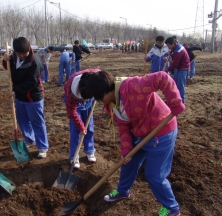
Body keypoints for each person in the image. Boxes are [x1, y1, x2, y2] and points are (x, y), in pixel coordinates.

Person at [84, 70, 185, 216]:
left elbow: (162, 77)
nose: (97, 100)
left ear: (104, 91)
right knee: (128, 163)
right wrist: (126, 149)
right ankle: (123, 191)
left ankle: (172, 208)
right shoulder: (111, 105)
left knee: (154, 175)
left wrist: (175, 102)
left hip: (161, 132)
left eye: (97, 96)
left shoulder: (133, 86)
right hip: (140, 133)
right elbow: (123, 127)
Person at [2, 37, 49, 158]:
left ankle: (42, 147)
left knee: (37, 122)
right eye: (19, 53)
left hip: (33, 97)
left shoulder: (35, 62)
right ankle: (29, 139)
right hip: (20, 96)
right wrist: (5, 60)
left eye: (24, 53)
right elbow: (9, 68)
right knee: (22, 119)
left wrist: (15, 90)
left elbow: (31, 82)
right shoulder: (14, 57)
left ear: (29, 49)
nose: (22, 56)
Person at [63, 68, 101, 168]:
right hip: (75, 103)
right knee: (76, 130)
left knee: (89, 127)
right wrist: (81, 127)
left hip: (89, 100)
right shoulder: (71, 93)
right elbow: (72, 113)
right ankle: (74, 156)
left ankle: (89, 150)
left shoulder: (95, 75)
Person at [165, 37, 190, 103]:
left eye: (168, 45)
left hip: (183, 69)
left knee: (181, 85)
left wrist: (166, 70)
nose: (168, 47)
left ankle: (181, 101)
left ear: (173, 44)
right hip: (178, 68)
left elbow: (175, 64)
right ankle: (176, 98)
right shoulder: (176, 47)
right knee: (175, 84)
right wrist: (171, 52)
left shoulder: (178, 51)